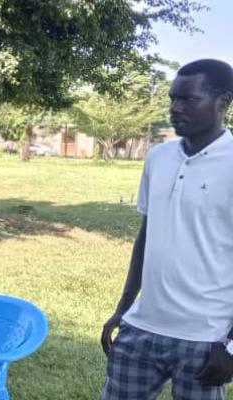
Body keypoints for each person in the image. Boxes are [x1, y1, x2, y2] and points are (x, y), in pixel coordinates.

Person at [100, 59, 233, 400]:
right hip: (141, 328)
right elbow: (146, 236)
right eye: (173, 98)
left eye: (189, 99)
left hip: (205, 337)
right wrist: (124, 308)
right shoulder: (158, 157)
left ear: (223, 102)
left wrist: (231, 345)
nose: (176, 108)